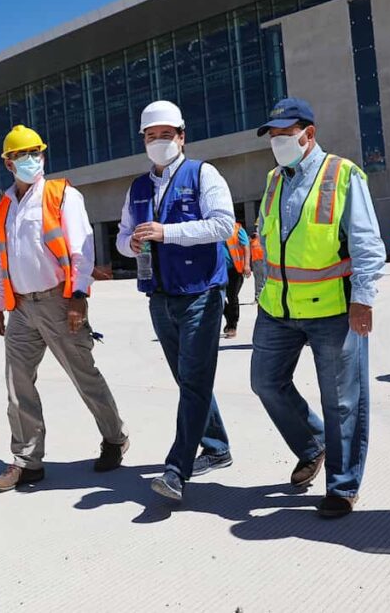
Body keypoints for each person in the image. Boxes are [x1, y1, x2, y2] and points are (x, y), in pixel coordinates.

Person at [250, 98, 385, 518]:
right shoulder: (274, 179)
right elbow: (265, 242)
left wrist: (362, 299)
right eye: (273, 136)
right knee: (266, 384)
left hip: (333, 311)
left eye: (285, 135)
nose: (278, 143)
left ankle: (342, 487)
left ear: (309, 134)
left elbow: (367, 244)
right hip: (277, 310)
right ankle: (313, 444)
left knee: (342, 402)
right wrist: (261, 290)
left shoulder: (342, 175)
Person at [0, 124, 129, 492]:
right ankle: (27, 461)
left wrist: (78, 296)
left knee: (84, 376)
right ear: (7, 163)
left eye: (35, 153)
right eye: (21, 155)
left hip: (58, 301)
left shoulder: (61, 195)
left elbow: (83, 250)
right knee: (18, 386)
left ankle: (114, 438)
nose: (30, 160)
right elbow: (2, 259)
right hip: (20, 308)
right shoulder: (4, 206)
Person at [116, 100, 234, 501]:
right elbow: (121, 236)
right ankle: (216, 448)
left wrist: (167, 233)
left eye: (166, 135)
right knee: (189, 381)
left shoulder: (204, 174)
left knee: (195, 384)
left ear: (182, 136)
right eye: (152, 136)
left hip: (200, 293)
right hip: (159, 297)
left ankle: (176, 469)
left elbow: (223, 224)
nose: (159, 142)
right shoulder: (137, 188)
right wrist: (131, 244)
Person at [222, 221, 251, 338]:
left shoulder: (237, 229)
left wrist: (247, 265)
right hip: (218, 271)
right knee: (218, 297)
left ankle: (232, 326)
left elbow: (246, 246)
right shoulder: (214, 227)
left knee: (232, 296)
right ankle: (230, 319)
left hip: (235, 269)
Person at [250, 232, 266, 302]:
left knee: (262, 280)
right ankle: (258, 297)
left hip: (263, 260)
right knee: (258, 280)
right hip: (256, 261)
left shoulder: (265, 236)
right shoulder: (253, 239)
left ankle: (260, 297)